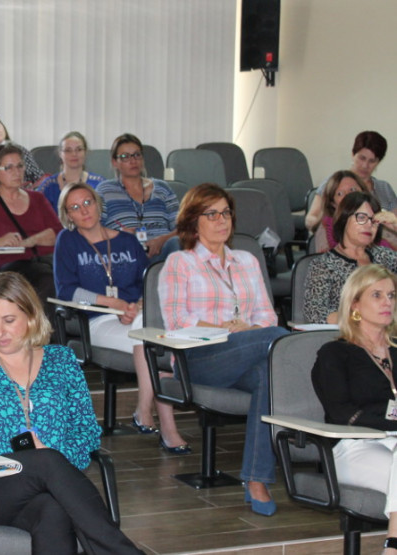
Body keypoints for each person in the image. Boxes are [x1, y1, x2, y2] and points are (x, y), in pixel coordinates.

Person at [0, 272, 143, 555]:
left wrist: (56, 454)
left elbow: (87, 433)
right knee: (45, 461)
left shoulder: (62, 361)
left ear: (31, 316)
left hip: (43, 487)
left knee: (54, 510)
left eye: (9, 320)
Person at [159, 183, 288, 516]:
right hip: (198, 358)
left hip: (246, 351)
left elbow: (267, 316)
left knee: (267, 375)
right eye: (211, 214)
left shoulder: (247, 261)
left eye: (226, 213)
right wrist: (226, 328)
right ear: (193, 222)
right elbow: (177, 322)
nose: (222, 220)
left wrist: (248, 330)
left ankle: (256, 478)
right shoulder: (179, 262)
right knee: (280, 340)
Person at [53, 183, 188, 453]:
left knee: (149, 339)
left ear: (98, 203)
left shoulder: (127, 241)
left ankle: (148, 415)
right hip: (96, 320)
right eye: (75, 207)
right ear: (68, 216)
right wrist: (113, 303)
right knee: (152, 343)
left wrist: (137, 306)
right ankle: (158, 423)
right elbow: (66, 290)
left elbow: (150, 282)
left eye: (88, 202)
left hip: (136, 316)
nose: (84, 210)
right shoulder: (67, 241)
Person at [311, 264, 397, 555]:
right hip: (353, 447)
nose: (387, 302)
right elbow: (342, 414)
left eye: (391, 295)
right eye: (377, 295)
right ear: (355, 304)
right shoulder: (335, 354)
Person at [0, 142, 62, 315]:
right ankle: (42, 331)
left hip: (45, 262)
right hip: (10, 269)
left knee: (58, 279)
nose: (17, 172)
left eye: (20, 166)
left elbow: (58, 233)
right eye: (9, 168)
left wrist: (32, 241)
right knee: (46, 283)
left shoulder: (37, 198)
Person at [303, 192, 397, 324]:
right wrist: (362, 318)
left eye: (374, 221)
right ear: (344, 219)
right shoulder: (324, 265)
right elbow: (314, 313)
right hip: (345, 332)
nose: (369, 225)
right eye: (361, 217)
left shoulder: (384, 256)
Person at [97, 133, 180, 262]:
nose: (133, 161)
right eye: (125, 157)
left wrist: (161, 240)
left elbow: (182, 229)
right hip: (124, 254)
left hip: (163, 253)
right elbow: (95, 229)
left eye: (137, 155)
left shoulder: (163, 188)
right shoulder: (105, 190)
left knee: (177, 243)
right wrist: (119, 235)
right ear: (115, 162)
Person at [306, 131, 396, 231]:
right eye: (362, 158)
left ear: (378, 162)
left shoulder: (385, 188)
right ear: (353, 154)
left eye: (372, 161)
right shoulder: (333, 182)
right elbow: (310, 219)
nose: (365, 165)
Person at [312, 170, 381, 253]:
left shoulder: (377, 220)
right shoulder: (324, 229)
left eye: (353, 189)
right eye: (340, 194)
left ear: (363, 192)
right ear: (333, 203)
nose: (348, 196)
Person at [36, 131, 105, 212]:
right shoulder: (48, 186)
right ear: (60, 154)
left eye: (79, 149)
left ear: (85, 152)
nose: (74, 154)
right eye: (68, 150)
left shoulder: (100, 184)